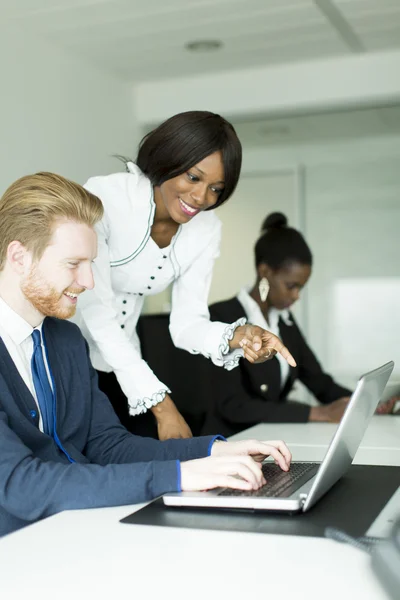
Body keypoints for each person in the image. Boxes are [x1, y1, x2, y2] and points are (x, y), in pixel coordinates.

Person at [0, 172, 292, 537]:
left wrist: (213, 453)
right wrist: (179, 475)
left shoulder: (66, 340)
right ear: (18, 257)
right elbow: (19, 484)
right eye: (74, 264)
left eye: (91, 263)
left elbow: (107, 444)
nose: (90, 281)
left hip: (75, 531)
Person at [74, 111, 295, 440]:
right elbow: (97, 314)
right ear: (167, 159)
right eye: (193, 177)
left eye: (216, 189)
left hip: (119, 359)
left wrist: (238, 335)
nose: (201, 198)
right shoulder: (106, 199)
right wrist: (163, 407)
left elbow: (187, 325)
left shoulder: (206, 229)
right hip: (62, 345)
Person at [201, 212, 396, 437]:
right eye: (291, 286)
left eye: (300, 288)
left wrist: (366, 404)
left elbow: (319, 382)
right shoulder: (222, 316)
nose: (296, 296)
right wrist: (319, 413)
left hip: (268, 440)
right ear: (264, 272)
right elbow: (233, 406)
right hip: (229, 442)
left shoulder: (284, 321)